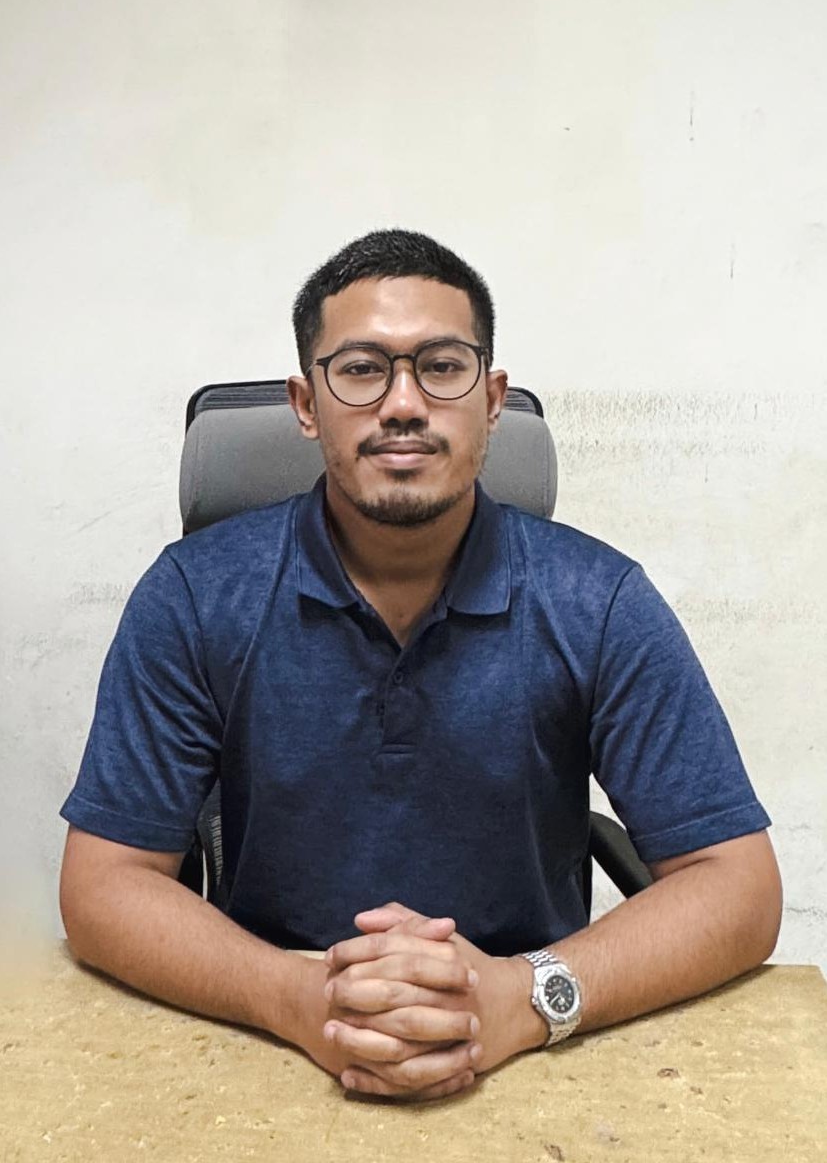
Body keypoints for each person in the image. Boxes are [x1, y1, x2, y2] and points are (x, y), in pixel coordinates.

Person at [59, 229, 782, 1103]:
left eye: (441, 367)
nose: (403, 404)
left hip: (530, 1053)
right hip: (265, 1044)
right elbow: (102, 885)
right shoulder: (194, 594)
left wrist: (524, 999)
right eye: (362, 370)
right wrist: (296, 999)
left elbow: (738, 889)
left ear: (491, 400)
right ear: (305, 404)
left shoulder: (598, 602)